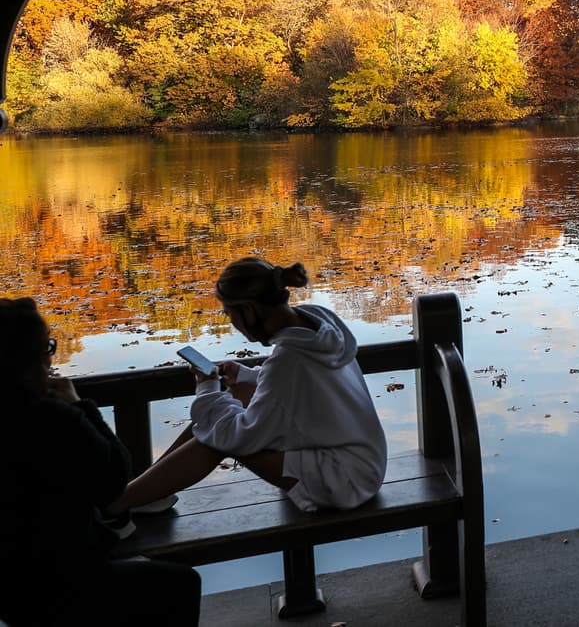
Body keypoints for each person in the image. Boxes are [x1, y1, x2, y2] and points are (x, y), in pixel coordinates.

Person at [102, 257, 388, 534]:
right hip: (365, 461)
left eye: (230, 314)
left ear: (249, 310)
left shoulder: (288, 360)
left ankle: (116, 507)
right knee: (224, 413)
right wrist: (247, 375)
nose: (232, 324)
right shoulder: (319, 324)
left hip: (344, 480)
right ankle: (146, 492)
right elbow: (300, 384)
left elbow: (241, 437)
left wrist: (207, 386)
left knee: (218, 438)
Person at [0, 297, 201, 627]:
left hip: (11, 589)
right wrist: (81, 406)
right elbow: (114, 478)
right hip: (63, 579)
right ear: (31, 358)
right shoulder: (52, 418)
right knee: (180, 584)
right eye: (48, 348)